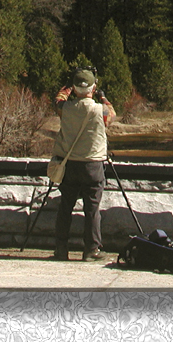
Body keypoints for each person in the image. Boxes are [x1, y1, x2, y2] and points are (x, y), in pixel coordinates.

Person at [50, 69, 116, 262]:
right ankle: (91, 250)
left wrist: (66, 89)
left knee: (65, 207)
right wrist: (103, 97)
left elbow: (58, 101)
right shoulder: (100, 110)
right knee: (92, 209)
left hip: (69, 165)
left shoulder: (65, 108)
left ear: (75, 88)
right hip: (93, 166)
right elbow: (111, 114)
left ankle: (61, 249)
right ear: (93, 88)